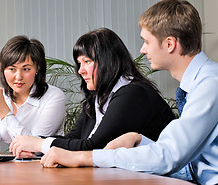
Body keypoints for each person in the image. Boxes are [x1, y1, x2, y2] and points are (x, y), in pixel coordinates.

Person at [39, 0, 218, 185]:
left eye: (146, 41)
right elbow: (189, 164)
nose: (142, 50)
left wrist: (83, 157)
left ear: (169, 44)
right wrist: (140, 140)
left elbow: (169, 157)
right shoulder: (199, 84)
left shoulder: (211, 85)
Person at [9, 28, 175, 158]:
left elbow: (93, 148)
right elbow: (74, 139)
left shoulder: (132, 94)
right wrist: (35, 148)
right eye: (79, 63)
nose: (80, 71)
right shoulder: (98, 96)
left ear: (108, 62)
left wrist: (38, 144)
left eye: (87, 61)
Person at [0, 35, 66, 153]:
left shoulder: (54, 96)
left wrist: (3, 110)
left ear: (37, 68)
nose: (18, 77)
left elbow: (35, 147)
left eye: (26, 69)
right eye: (12, 69)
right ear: (3, 70)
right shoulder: (2, 97)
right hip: (12, 167)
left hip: (45, 166)